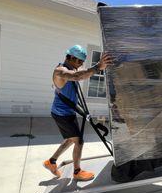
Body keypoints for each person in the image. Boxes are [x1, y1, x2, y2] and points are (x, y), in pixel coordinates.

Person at [43, 45, 112, 180]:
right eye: (79, 61)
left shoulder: (71, 67)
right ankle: (77, 172)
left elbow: (81, 72)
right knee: (79, 141)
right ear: (71, 57)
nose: (80, 65)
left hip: (68, 111)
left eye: (82, 62)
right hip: (61, 113)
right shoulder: (60, 71)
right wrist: (98, 66)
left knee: (70, 139)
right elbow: (77, 76)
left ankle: (51, 162)